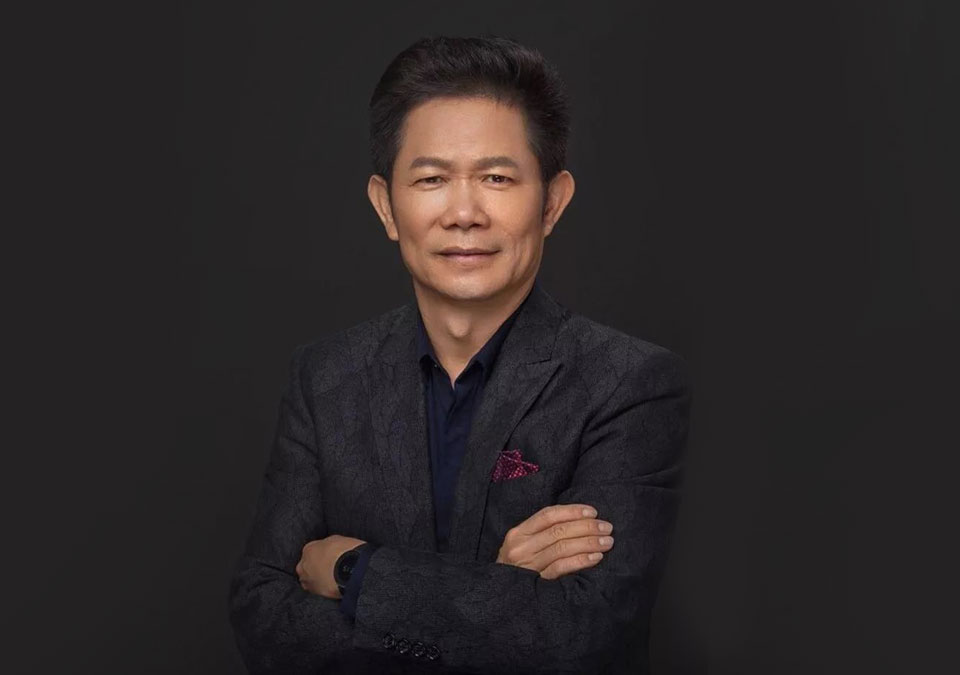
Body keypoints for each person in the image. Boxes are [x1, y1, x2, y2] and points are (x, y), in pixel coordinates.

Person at [228, 35, 692, 674]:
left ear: (552, 202)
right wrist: (496, 590)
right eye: (432, 179)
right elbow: (262, 620)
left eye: (497, 178)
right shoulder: (325, 378)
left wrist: (354, 570)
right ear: (386, 206)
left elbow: (580, 636)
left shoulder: (629, 383)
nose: (465, 213)